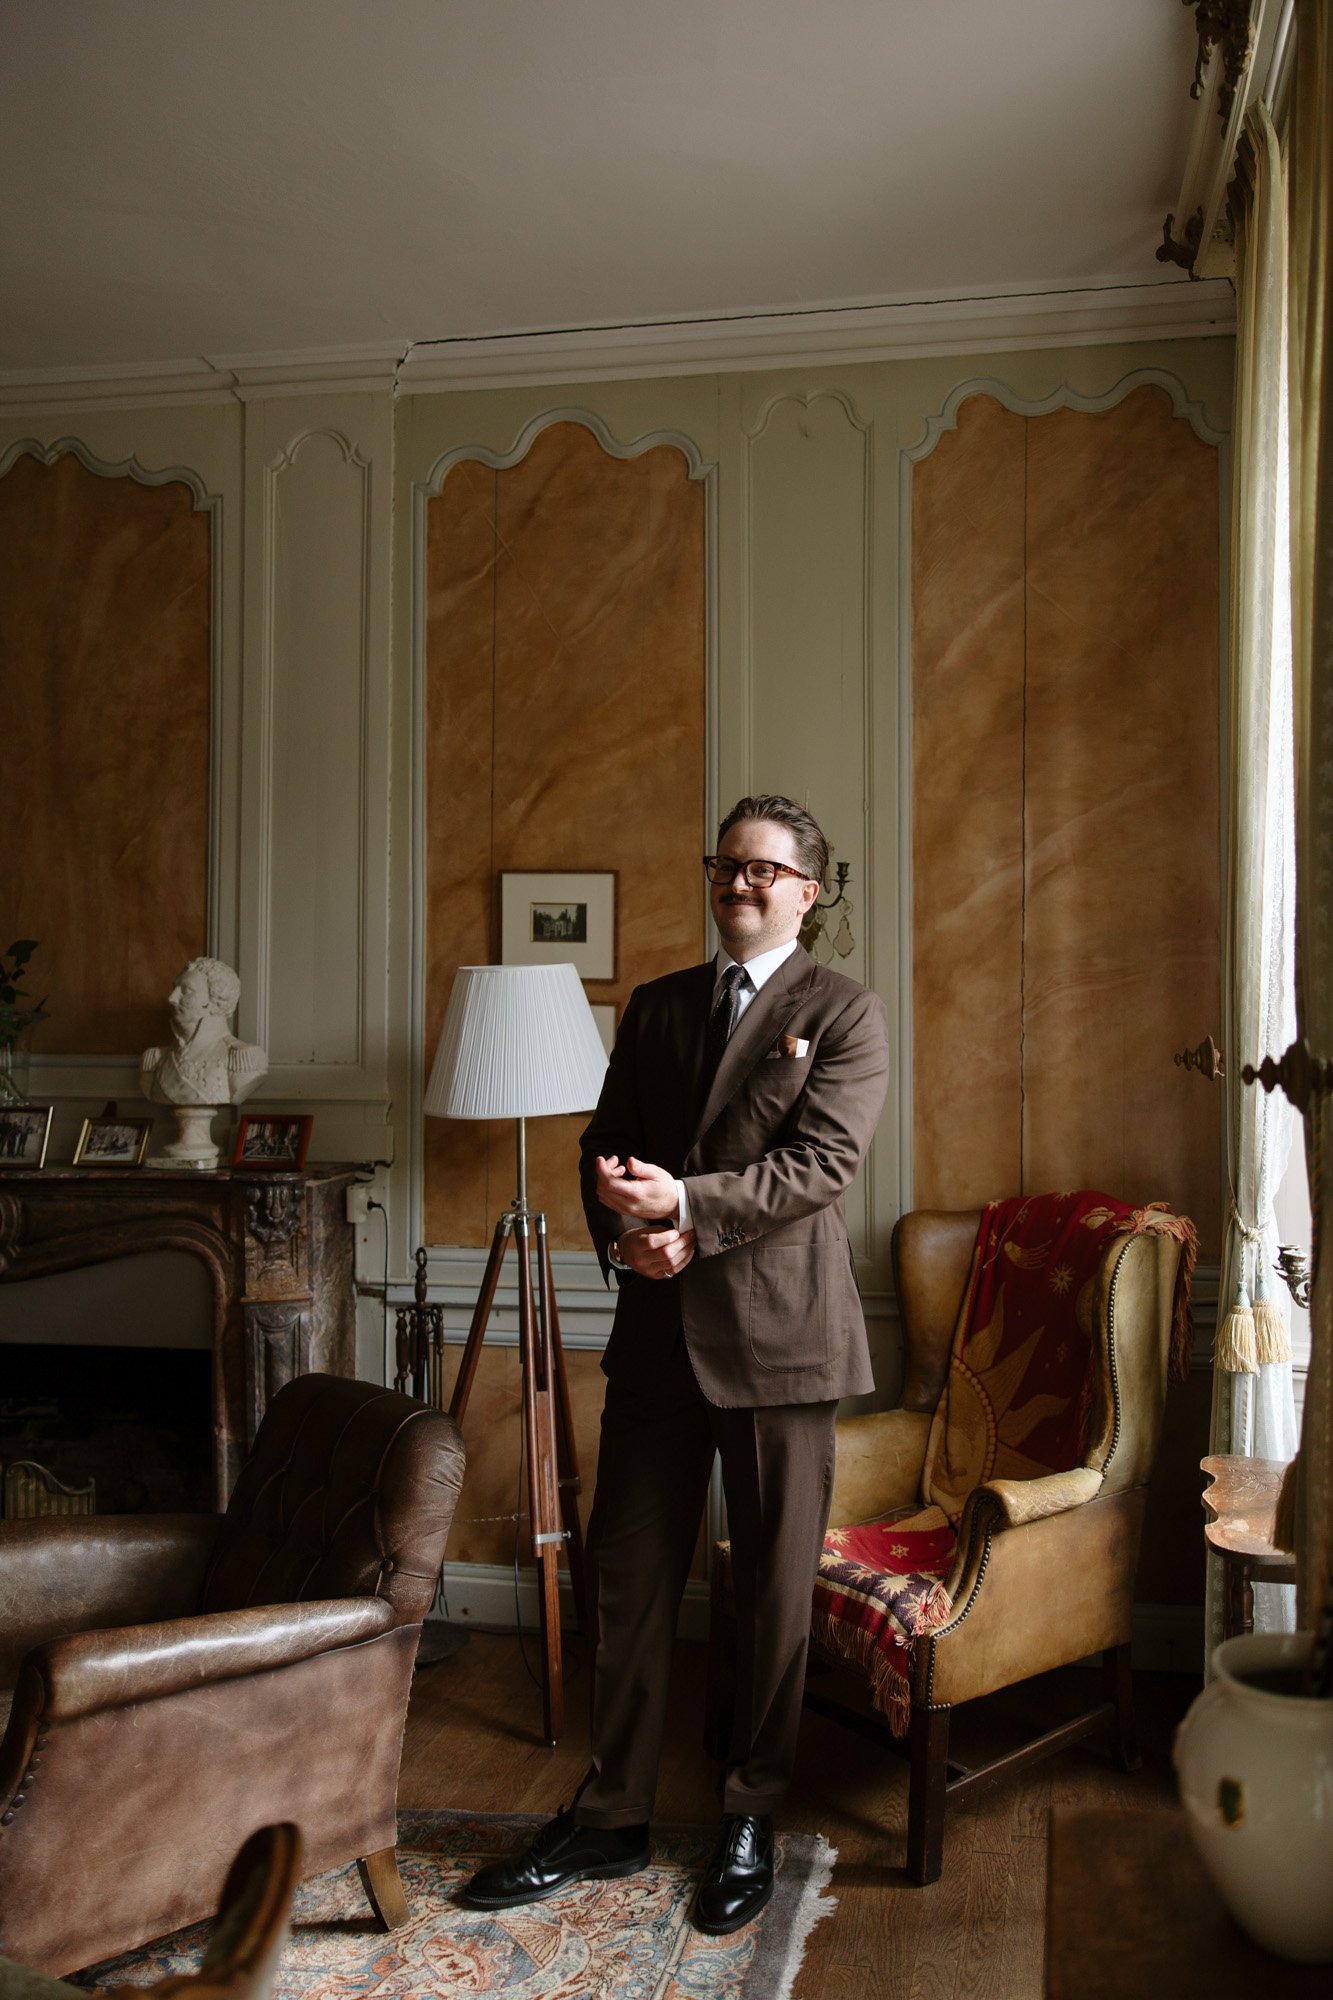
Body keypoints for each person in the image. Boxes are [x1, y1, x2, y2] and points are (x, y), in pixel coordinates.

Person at [464, 795, 889, 1933]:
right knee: (627, 1577)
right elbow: (603, 1146)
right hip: (656, 1335)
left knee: (771, 1593)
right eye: (724, 864)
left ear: (808, 891)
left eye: (763, 869)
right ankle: (610, 1816)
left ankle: (749, 1812)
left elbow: (822, 1163)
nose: (737, 882)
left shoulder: (843, 1011)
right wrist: (626, 1236)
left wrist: (688, 1211)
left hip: (781, 1343)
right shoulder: (655, 1004)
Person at [140, 957, 268, 1108]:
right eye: (174, 988)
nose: (171, 998)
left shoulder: (241, 1055)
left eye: (186, 991)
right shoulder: (156, 1057)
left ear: (214, 1000)